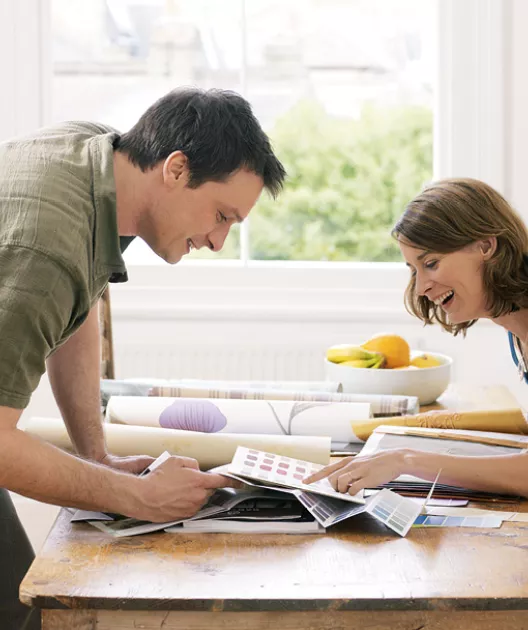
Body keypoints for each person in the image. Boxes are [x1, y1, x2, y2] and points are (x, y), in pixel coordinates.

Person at [0, 86, 286, 629]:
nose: (219, 241)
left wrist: (97, 455)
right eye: (221, 215)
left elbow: (80, 305)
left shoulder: (94, 158)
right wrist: (138, 497)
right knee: (20, 615)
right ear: (176, 169)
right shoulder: (46, 247)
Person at [306, 178, 528, 498]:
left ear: (485, 246)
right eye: (414, 270)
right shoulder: (516, 332)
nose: (422, 286)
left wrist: (407, 460)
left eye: (431, 263)